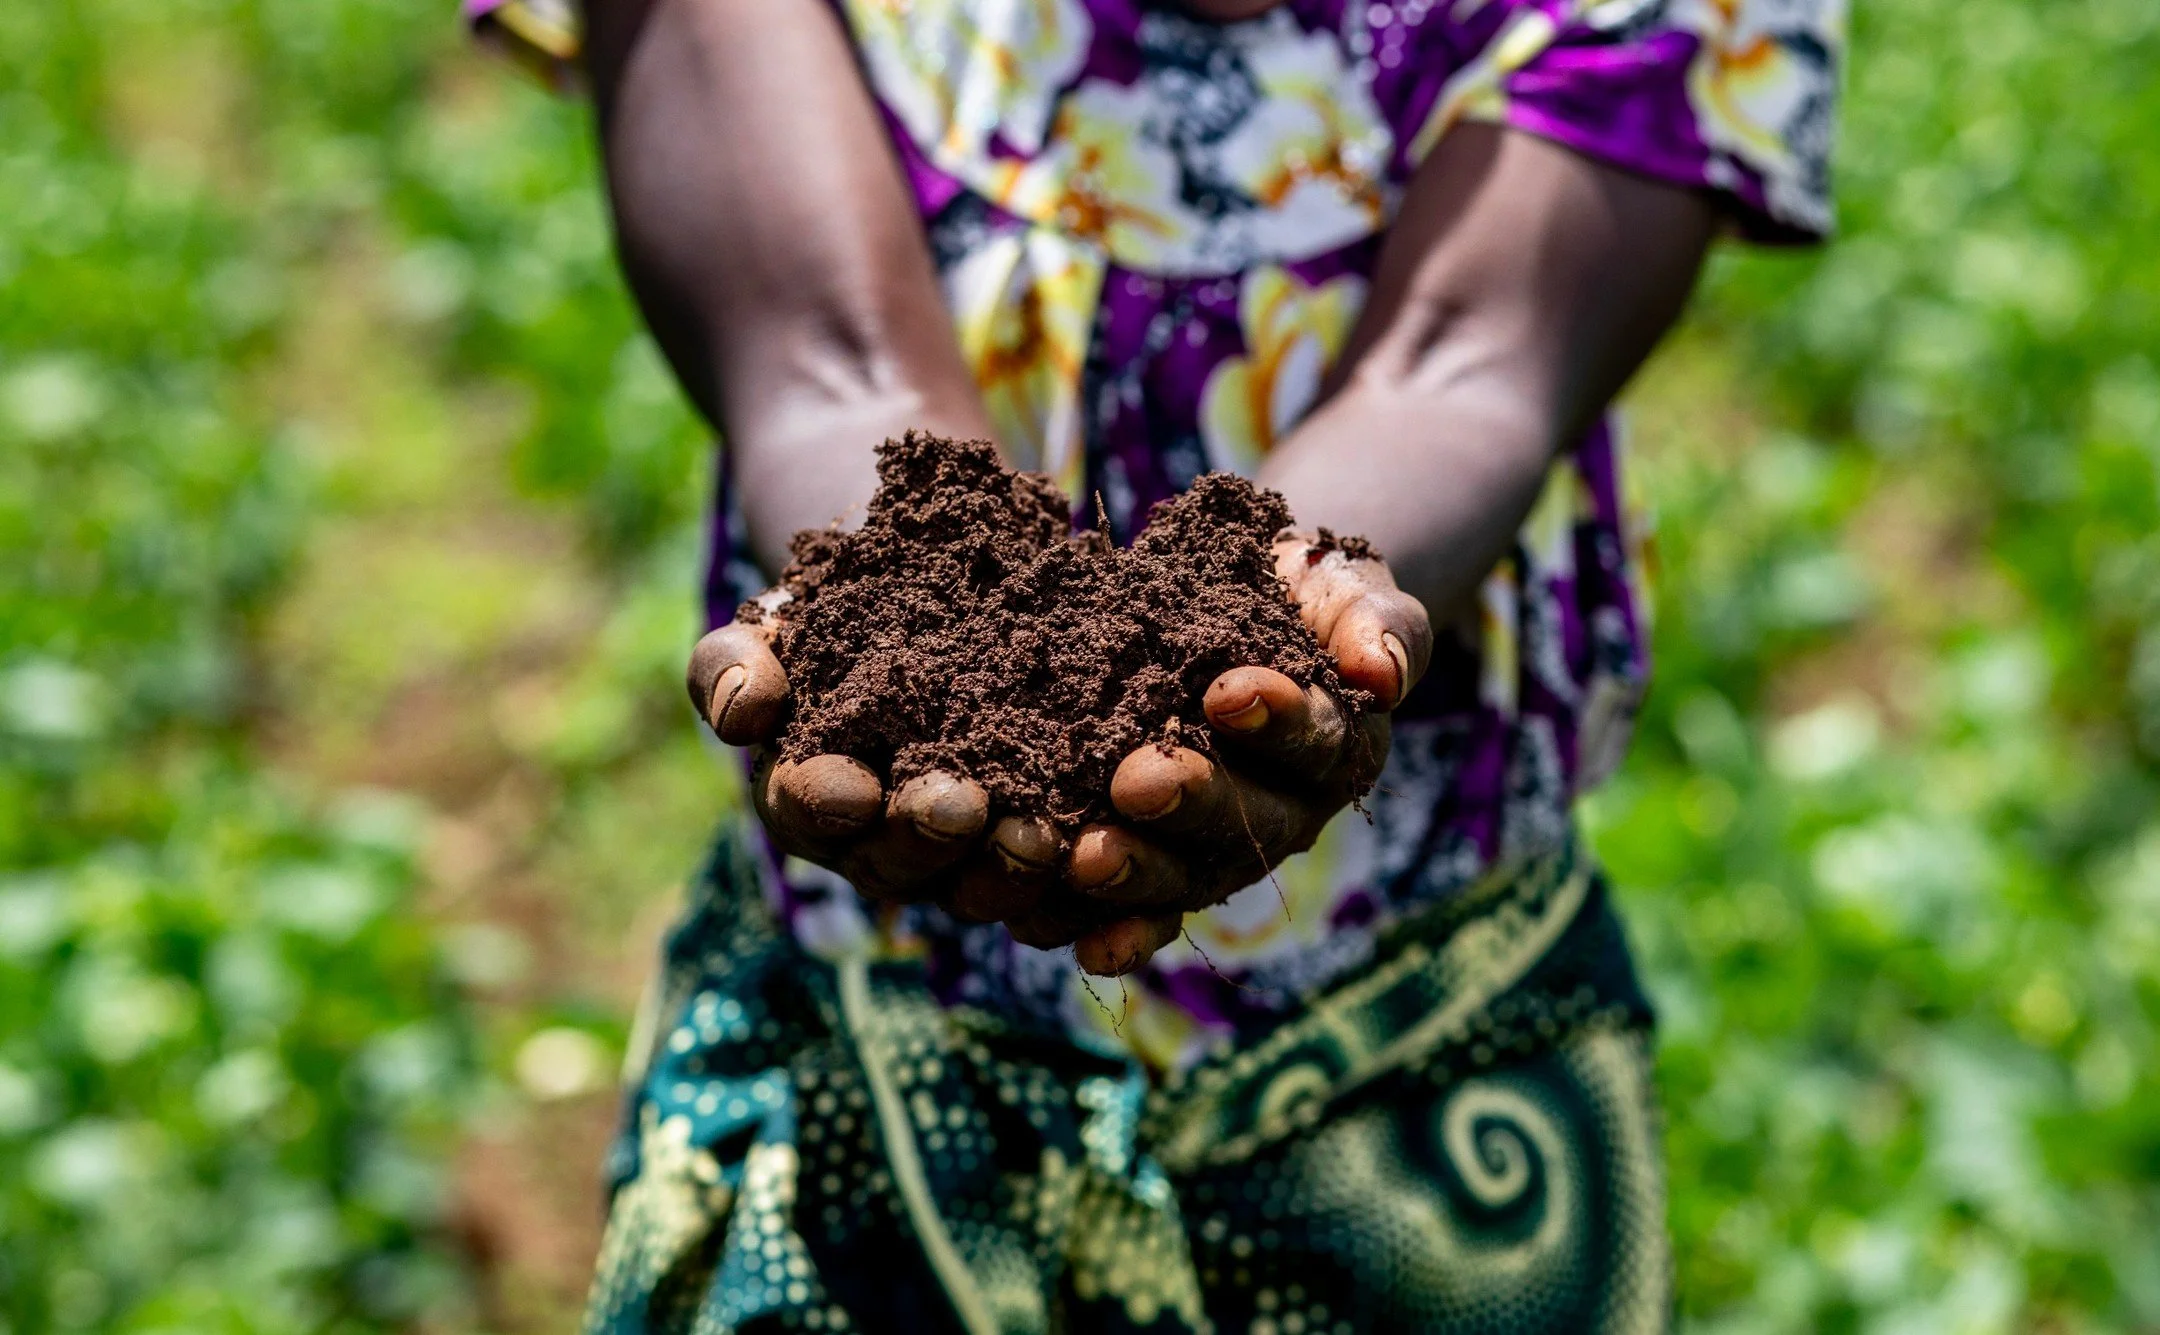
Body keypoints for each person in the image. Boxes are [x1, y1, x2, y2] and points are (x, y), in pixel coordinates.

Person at [467, 0, 1841, 1329]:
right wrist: (897, 596)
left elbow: (1465, 362)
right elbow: (825, 358)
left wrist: (1284, 616)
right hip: (868, 1050)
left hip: (1421, 1071)